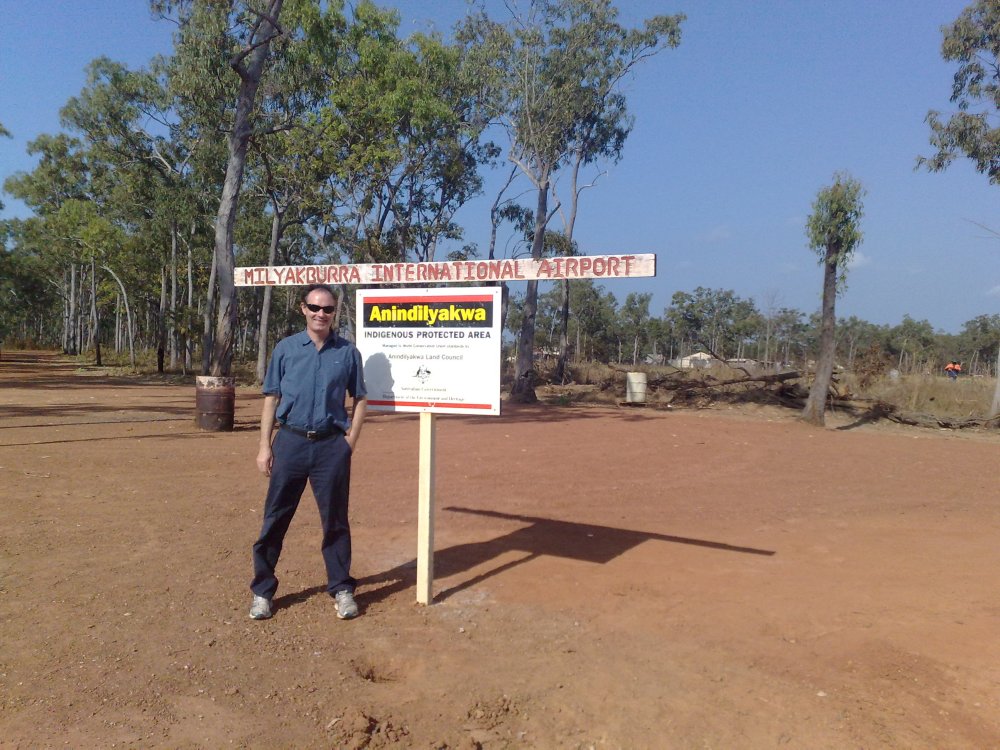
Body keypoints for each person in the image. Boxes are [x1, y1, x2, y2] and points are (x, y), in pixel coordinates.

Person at [250, 284, 368, 621]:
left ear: (334, 313)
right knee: (275, 518)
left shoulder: (347, 353)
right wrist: (264, 446)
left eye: (328, 309)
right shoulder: (286, 350)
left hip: (332, 446)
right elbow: (271, 399)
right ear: (303, 309)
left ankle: (342, 588)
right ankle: (262, 591)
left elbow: (361, 398)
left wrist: (350, 442)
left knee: (335, 521)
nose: (321, 314)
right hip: (291, 442)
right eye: (315, 307)